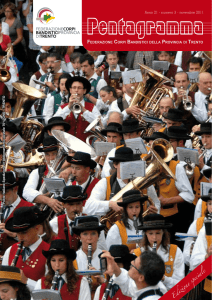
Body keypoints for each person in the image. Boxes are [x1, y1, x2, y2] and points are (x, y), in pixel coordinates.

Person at [2, 206, 50, 290]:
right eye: (17, 233)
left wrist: (26, 281)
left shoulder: (49, 252)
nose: (20, 237)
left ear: (37, 229)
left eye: (24, 232)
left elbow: (50, 290)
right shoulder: (10, 251)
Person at [134, 213, 185, 291]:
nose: (154, 237)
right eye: (150, 233)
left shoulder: (175, 251)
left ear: (163, 233)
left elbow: (181, 284)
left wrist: (163, 278)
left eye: (158, 233)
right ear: (145, 234)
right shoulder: (137, 253)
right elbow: (134, 285)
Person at [50, 185, 106, 251]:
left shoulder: (95, 224)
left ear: (82, 203)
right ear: (63, 204)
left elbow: (102, 249)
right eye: (71, 204)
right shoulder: (54, 223)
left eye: (78, 203)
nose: (75, 208)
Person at [23, 136, 64, 214]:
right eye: (47, 155)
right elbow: (26, 192)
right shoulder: (37, 172)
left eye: (54, 154)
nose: (51, 158)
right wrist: (48, 201)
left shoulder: (65, 171)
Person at [101, 250, 166, 300]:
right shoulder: (152, 286)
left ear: (141, 277)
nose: (131, 262)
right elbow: (128, 284)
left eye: (134, 264)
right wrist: (115, 268)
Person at [54, 76, 101, 142]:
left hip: (86, 146)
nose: (76, 90)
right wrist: (68, 107)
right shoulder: (63, 107)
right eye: (74, 88)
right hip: (67, 145)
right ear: (70, 90)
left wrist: (84, 110)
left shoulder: (92, 107)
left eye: (79, 88)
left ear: (84, 91)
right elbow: (54, 121)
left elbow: (99, 123)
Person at [72, 216, 106, 297]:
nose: (89, 238)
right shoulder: (73, 258)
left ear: (98, 236)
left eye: (93, 233)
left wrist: (102, 280)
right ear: (79, 237)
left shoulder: (106, 257)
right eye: (85, 234)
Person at [0, 171, 33, 255]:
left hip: (17, 257)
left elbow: (35, 240)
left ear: (15, 189)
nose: (1, 197)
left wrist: (14, 234)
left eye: (5, 193)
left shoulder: (29, 208)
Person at [183, 189, 212, 268]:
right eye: (210, 204)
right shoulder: (199, 225)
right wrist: (206, 256)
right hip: (205, 274)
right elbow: (190, 260)